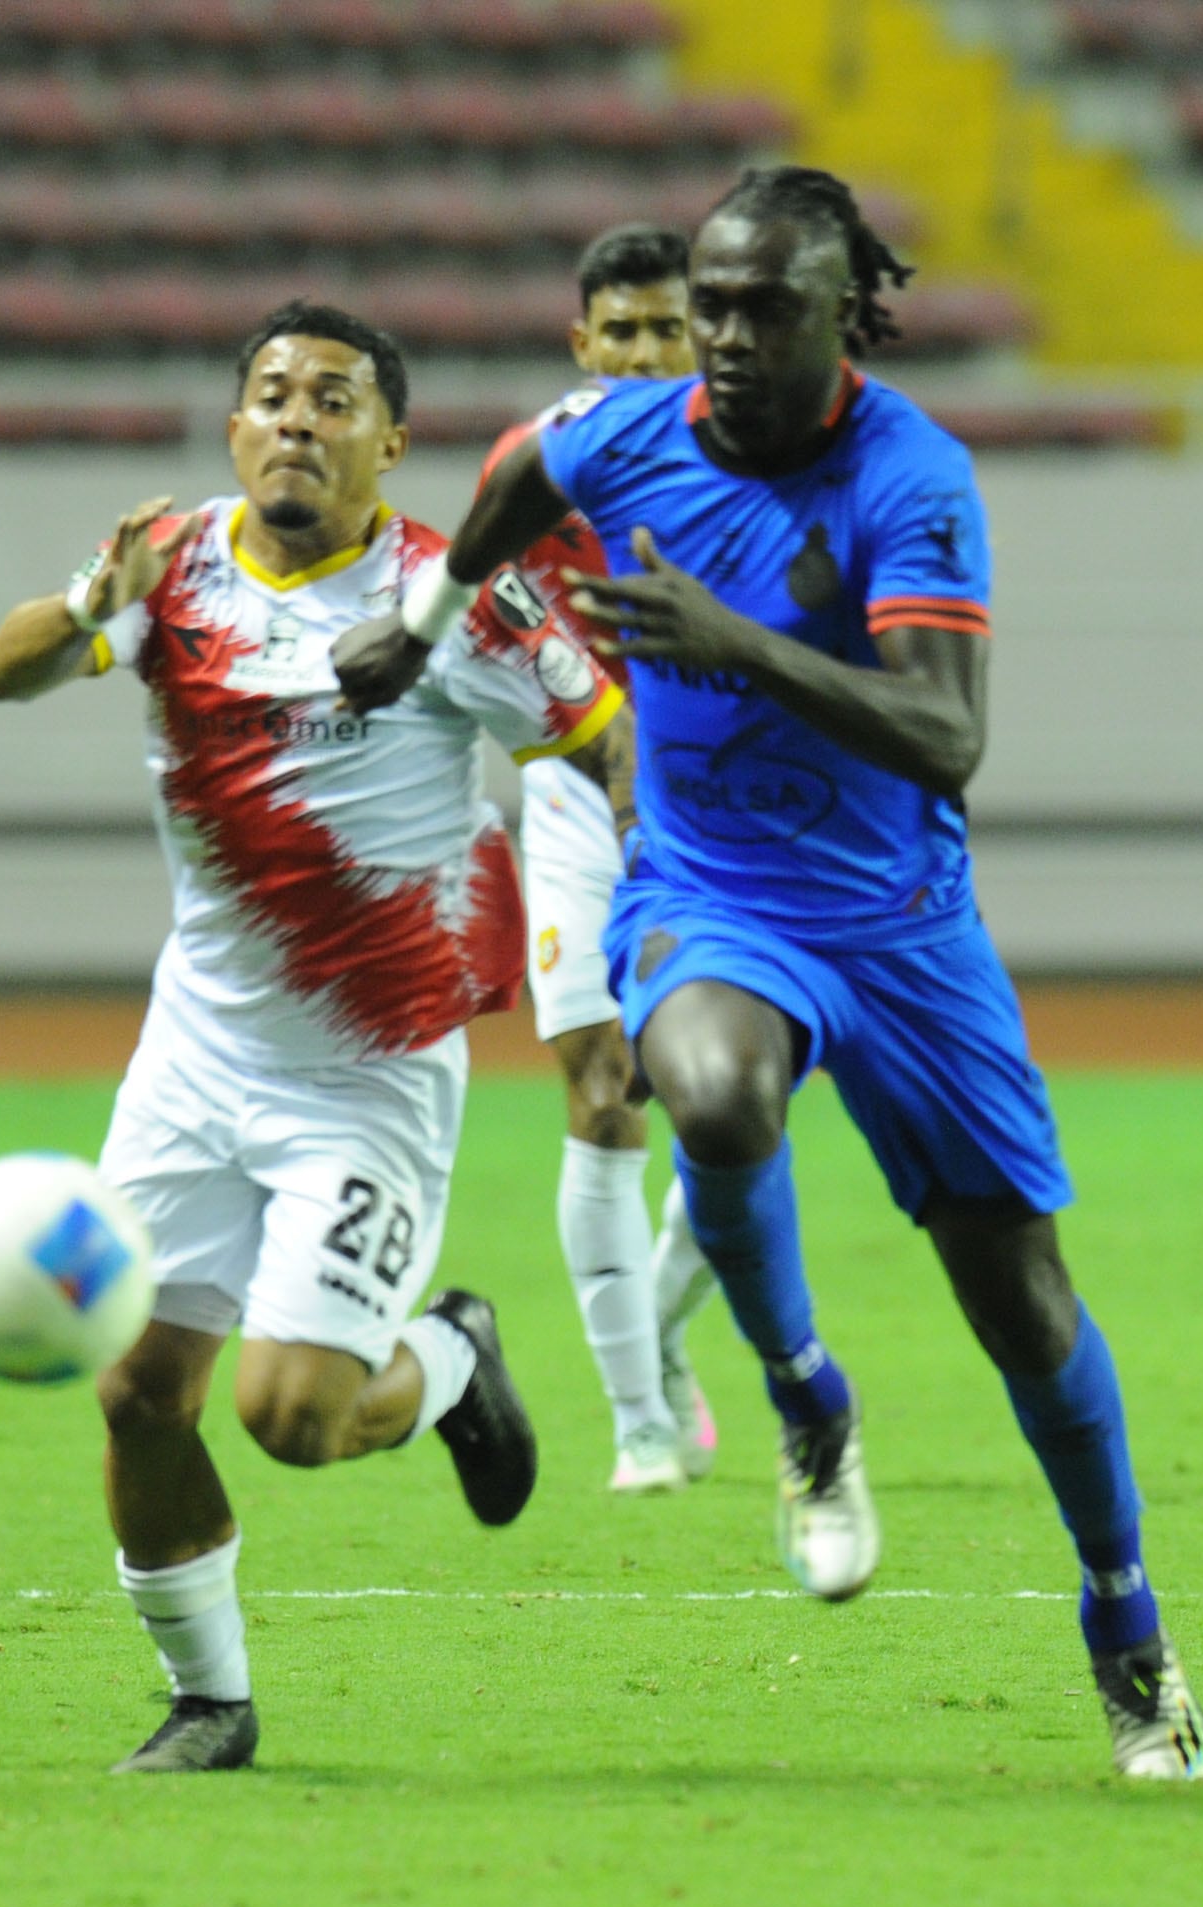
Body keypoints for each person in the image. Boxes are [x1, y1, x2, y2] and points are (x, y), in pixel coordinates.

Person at [334, 169, 1203, 1781]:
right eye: (714, 304)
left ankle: (1126, 1621)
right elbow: (523, 469)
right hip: (714, 892)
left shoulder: (912, 475)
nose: (726, 338)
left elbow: (951, 736)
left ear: (845, 315)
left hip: (902, 923)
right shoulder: (630, 430)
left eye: (764, 309)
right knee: (713, 1093)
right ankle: (806, 1399)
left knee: (1022, 1301)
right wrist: (430, 610)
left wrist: (729, 641)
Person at [0, 301, 631, 1775]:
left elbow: (603, 738)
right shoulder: (171, 560)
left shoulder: (452, 597)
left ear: (391, 443)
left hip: (367, 1074)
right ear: (232, 427)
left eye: (334, 400)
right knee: (139, 1389)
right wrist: (91, 602)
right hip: (195, 1055)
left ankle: (454, 1357)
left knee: (292, 1416)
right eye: (270, 394)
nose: (295, 419)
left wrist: (643, 924)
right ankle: (209, 1698)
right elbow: (1, 672)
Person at [489, 222, 720, 1494]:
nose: (640, 351)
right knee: (602, 1085)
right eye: (618, 329)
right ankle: (639, 1423)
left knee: (729, 1118)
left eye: (664, 327)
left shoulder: (758, 466)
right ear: (580, 342)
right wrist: (613, 762)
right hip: (578, 798)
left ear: (704, 339)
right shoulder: (533, 476)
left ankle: (663, 1332)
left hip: (732, 812)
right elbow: (517, 654)